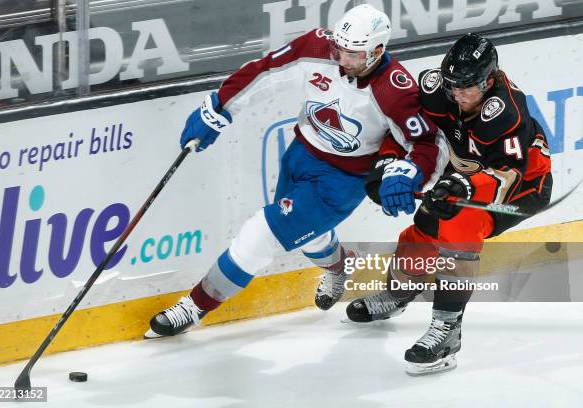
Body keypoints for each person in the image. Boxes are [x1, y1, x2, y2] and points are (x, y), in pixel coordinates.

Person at [144, 4, 447, 338]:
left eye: (353, 55)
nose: (341, 60)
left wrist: (409, 174)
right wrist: (219, 107)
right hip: (300, 155)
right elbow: (266, 71)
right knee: (310, 236)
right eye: (338, 49)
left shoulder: (395, 90)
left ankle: (195, 306)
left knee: (261, 231)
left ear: (376, 51)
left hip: (340, 183)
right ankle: (340, 265)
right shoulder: (317, 46)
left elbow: (426, 144)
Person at [346, 33, 553, 375]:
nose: (455, 95)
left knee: (458, 224)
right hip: (465, 176)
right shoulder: (435, 88)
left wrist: (464, 187)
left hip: (520, 189)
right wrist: (387, 164)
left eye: (465, 87)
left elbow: (508, 177)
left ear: (488, 82)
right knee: (425, 229)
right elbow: (408, 132)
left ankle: (448, 330)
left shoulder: (506, 112)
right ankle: (398, 294)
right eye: (451, 84)